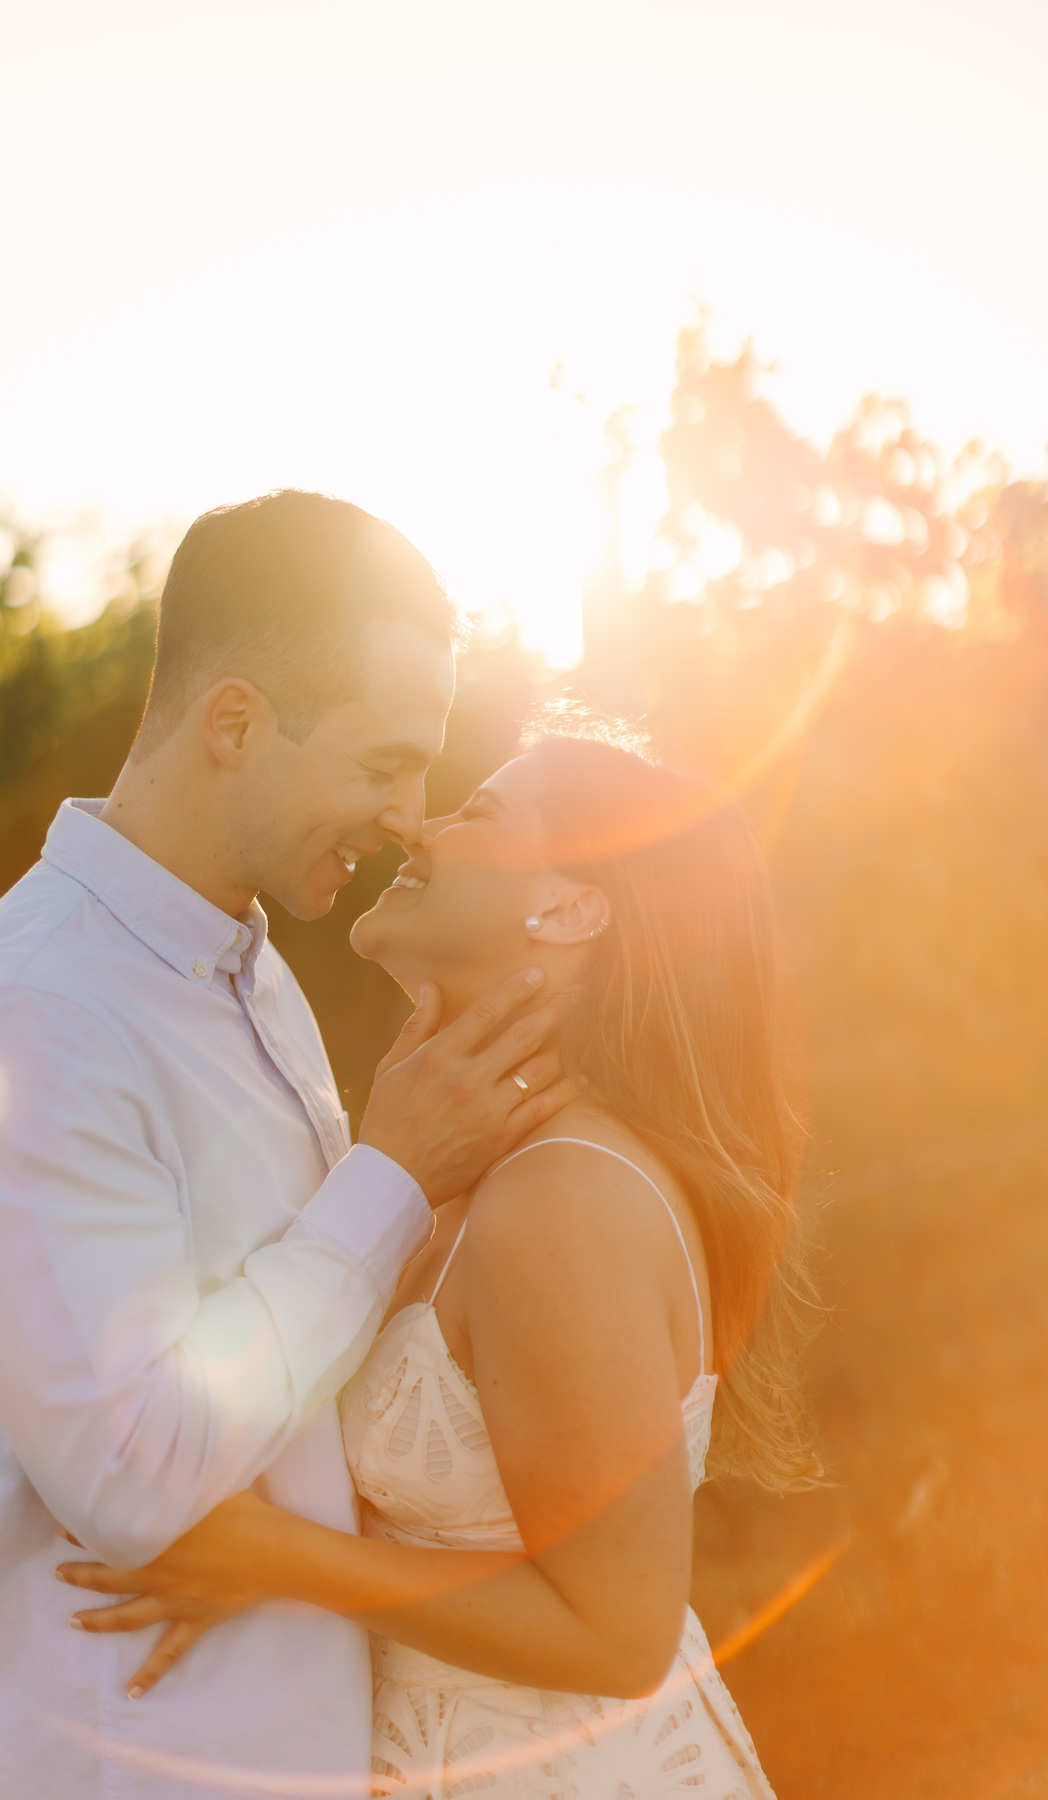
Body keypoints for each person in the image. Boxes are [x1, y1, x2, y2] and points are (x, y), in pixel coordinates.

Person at [0, 492, 576, 1800]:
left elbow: (290, 1363)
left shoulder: (249, 971)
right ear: (236, 723)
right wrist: (392, 1178)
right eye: (383, 765)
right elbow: (137, 1473)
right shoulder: (25, 1023)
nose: (411, 816)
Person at [59, 706, 823, 1800]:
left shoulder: (564, 1196)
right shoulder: (462, 1163)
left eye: (478, 811)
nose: (420, 827)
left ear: (570, 907)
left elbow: (620, 1632)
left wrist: (271, 1559)